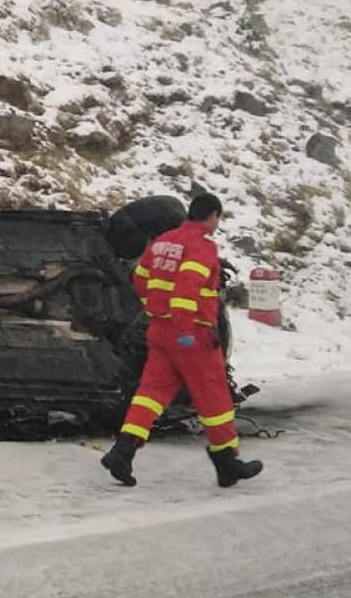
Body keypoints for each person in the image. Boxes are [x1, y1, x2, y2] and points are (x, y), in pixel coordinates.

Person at [101, 194, 264, 488]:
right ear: (212, 216)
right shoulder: (201, 246)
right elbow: (186, 290)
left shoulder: (163, 242)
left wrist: (155, 310)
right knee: (215, 399)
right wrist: (185, 329)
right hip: (193, 336)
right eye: (218, 218)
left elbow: (140, 277)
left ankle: (122, 452)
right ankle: (226, 462)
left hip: (161, 332)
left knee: (151, 394)